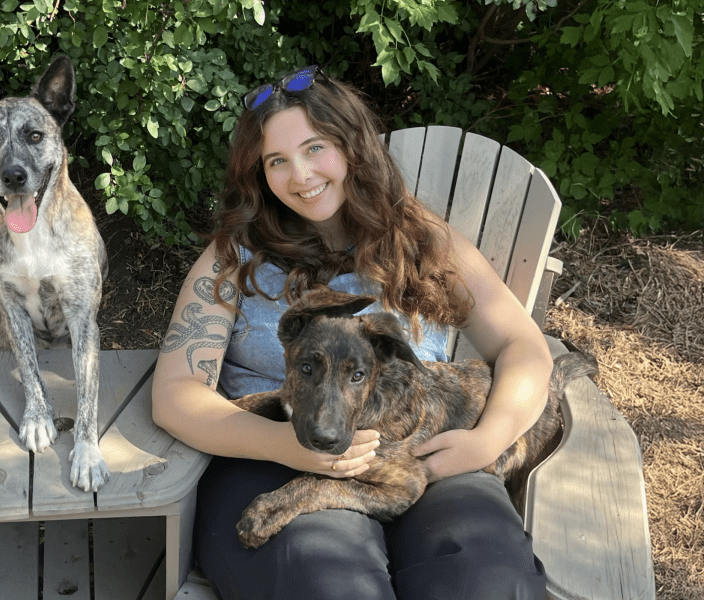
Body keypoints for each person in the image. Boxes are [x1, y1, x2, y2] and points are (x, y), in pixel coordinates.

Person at [151, 65, 553, 600]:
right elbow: (175, 393)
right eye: (276, 161)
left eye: (315, 148)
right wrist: (284, 445)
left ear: (352, 146)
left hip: (422, 458)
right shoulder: (235, 258)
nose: (300, 175)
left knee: (486, 574)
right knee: (329, 581)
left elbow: (523, 346)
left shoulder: (419, 240)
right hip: (269, 459)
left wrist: (488, 440)